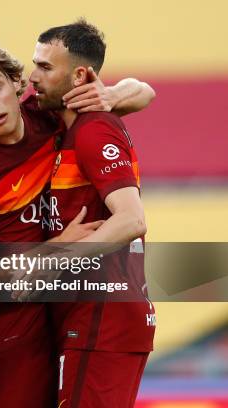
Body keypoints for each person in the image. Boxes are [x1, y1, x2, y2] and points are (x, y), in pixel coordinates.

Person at [0, 40, 155, 407]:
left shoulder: (48, 115)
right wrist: (60, 248)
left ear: (16, 83)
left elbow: (145, 91)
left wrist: (109, 93)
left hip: (68, 313)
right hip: (13, 330)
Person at [30, 19, 155, 407]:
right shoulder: (62, 124)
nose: (32, 77)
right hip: (86, 317)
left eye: (46, 68)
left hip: (104, 319)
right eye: (34, 63)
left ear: (81, 75)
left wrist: (49, 261)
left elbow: (132, 219)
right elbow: (143, 89)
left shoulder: (93, 131)